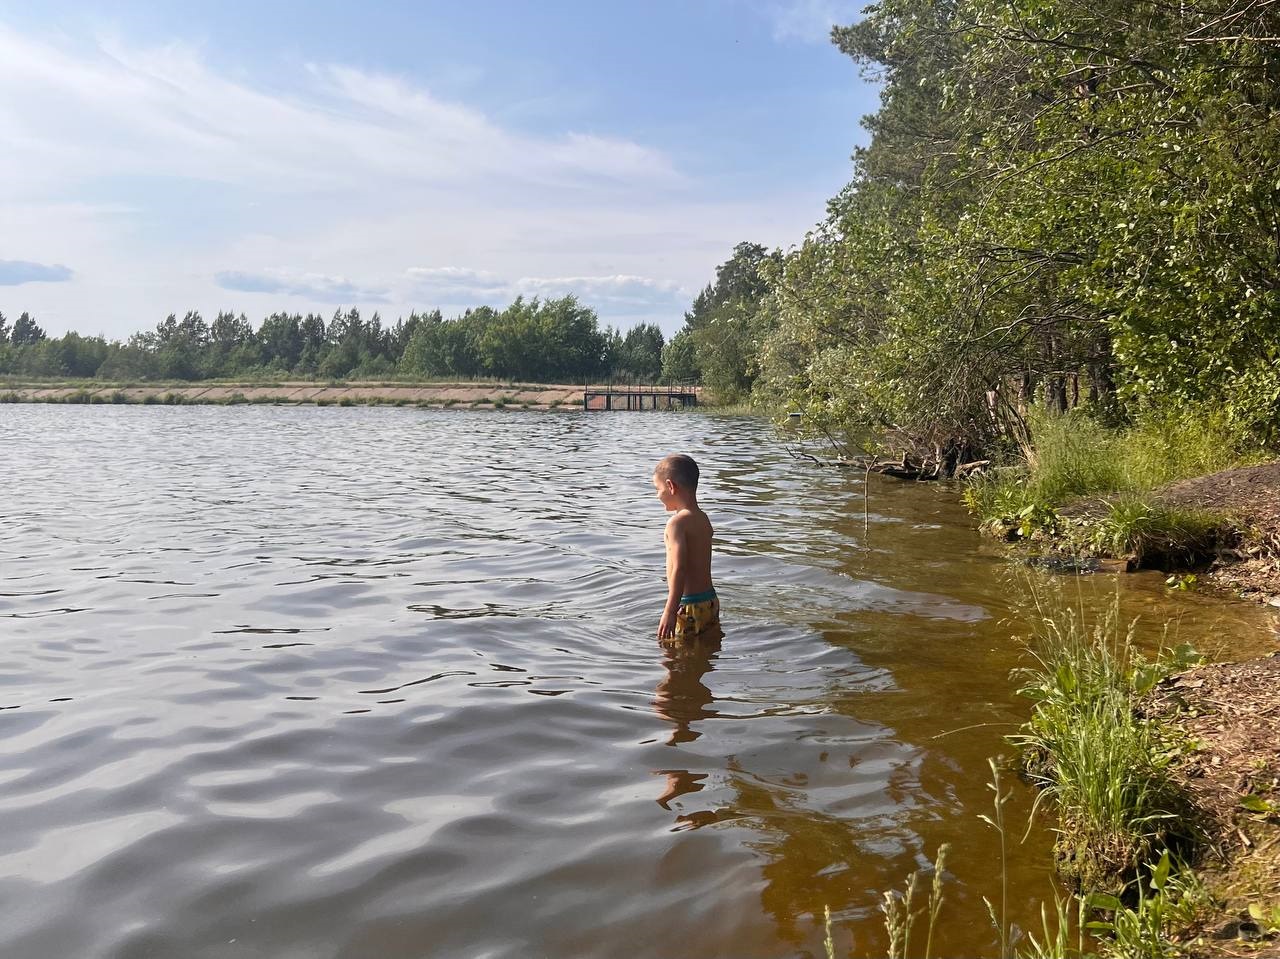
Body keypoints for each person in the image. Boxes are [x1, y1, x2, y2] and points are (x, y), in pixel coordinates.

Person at [652, 453, 719, 640]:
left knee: (673, 654)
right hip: (710, 601)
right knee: (707, 646)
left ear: (671, 486)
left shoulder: (676, 524)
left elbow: (679, 568)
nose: (657, 495)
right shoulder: (703, 519)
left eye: (658, 489)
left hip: (688, 606)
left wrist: (670, 611)